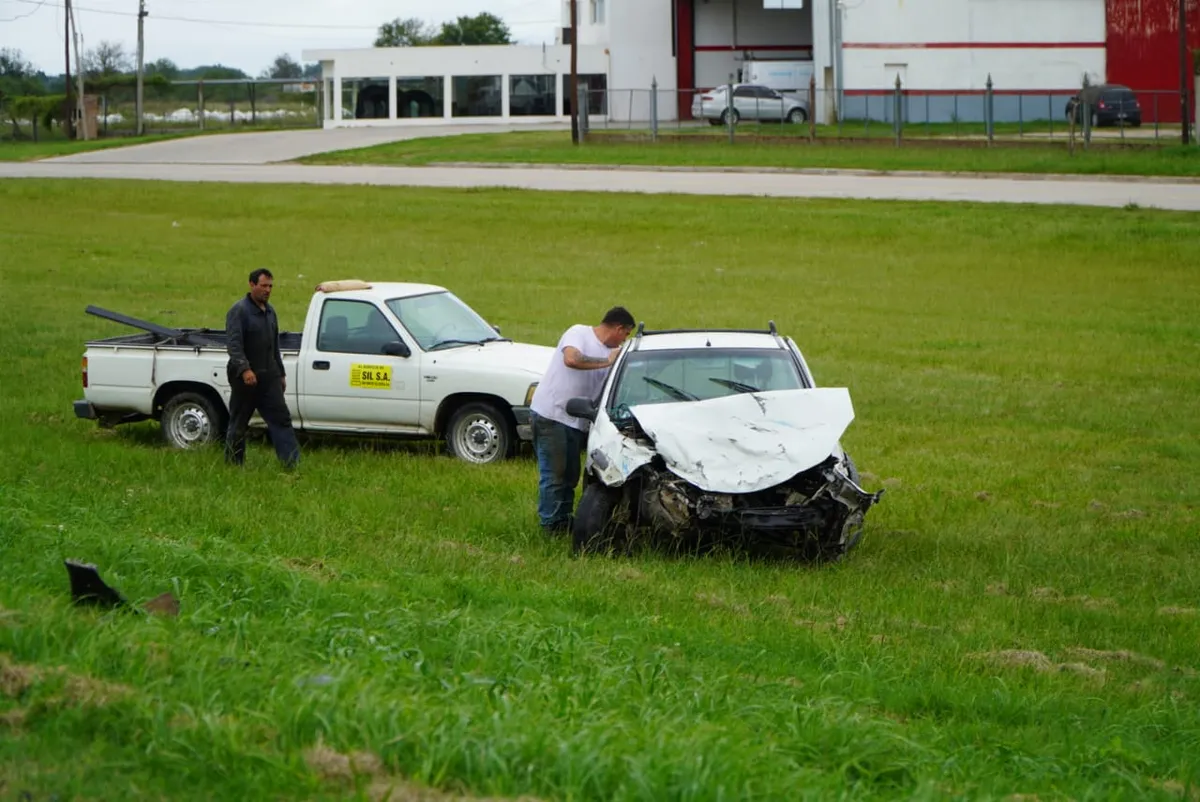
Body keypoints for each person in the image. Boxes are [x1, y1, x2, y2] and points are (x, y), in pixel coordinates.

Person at [529, 306, 636, 534]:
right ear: (618, 328)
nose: (623, 340)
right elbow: (571, 359)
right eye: (625, 334)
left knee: (570, 475)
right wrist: (607, 361)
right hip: (552, 414)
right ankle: (550, 524)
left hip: (577, 419)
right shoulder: (579, 333)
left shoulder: (612, 353)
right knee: (555, 473)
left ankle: (563, 519)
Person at [224, 268, 301, 469]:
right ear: (251, 285)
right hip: (245, 379)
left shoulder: (270, 311)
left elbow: (274, 345)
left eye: (270, 286)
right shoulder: (239, 311)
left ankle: (291, 464)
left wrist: (281, 373)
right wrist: (245, 370)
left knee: (282, 419)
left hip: (269, 377)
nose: (267, 290)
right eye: (263, 286)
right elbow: (234, 345)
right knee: (239, 423)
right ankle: (233, 464)